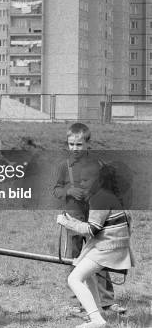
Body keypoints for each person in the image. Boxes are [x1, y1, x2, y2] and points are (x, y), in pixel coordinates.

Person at [52, 122, 125, 314]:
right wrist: (69, 190)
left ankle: (106, 300)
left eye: (79, 145)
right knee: (74, 259)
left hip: (95, 218)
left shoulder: (98, 165)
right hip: (73, 218)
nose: (75, 148)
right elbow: (55, 189)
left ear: (87, 145)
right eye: (71, 145)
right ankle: (77, 301)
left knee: (99, 259)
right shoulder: (63, 166)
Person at [57, 159, 134, 328]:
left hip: (108, 248)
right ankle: (97, 312)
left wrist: (66, 223)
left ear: (98, 180)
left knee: (74, 279)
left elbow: (92, 229)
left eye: (85, 180)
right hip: (110, 245)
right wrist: (72, 221)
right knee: (87, 275)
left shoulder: (100, 199)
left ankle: (96, 319)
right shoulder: (104, 195)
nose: (81, 184)